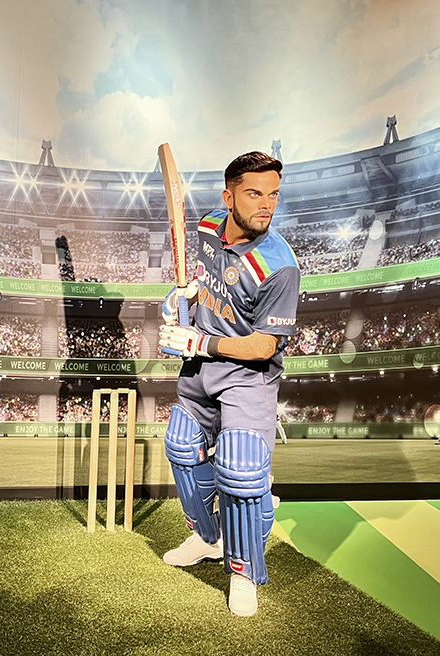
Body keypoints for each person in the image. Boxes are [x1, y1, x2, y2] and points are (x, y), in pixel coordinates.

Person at [157, 151, 300, 617]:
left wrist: (199, 341)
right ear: (228, 196)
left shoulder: (280, 265)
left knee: (239, 469)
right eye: (254, 193)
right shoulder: (206, 227)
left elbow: (263, 346)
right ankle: (207, 537)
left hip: (247, 378)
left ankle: (243, 572)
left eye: (273, 194)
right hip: (200, 371)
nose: (267, 204)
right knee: (182, 445)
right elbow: (204, 282)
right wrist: (182, 297)